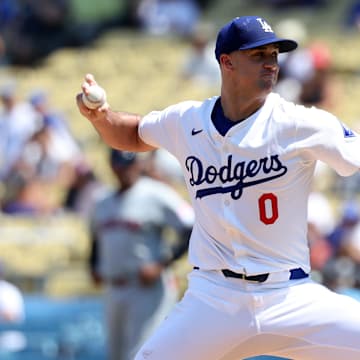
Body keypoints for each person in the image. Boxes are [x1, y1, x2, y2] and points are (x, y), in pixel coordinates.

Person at [76, 15, 360, 360]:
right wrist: (100, 116)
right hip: (213, 299)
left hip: (290, 294)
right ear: (227, 61)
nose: (270, 64)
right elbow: (133, 133)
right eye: (258, 55)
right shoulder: (188, 121)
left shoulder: (299, 123)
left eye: (274, 55)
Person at [88, 149, 194, 360]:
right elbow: (96, 239)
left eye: (128, 164)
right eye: (119, 165)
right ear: (112, 166)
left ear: (138, 164)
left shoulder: (156, 194)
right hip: (113, 287)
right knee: (116, 355)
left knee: (143, 354)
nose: (124, 170)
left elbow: (191, 229)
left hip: (147, 289)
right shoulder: (102, 201)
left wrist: (161, 264)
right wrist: (93, 265)